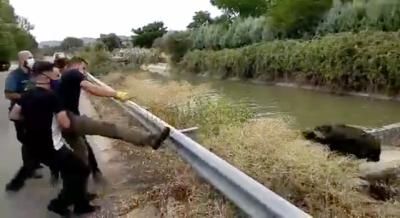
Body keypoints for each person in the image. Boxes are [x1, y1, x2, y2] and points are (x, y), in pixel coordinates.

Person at [8, 61, 97, 216]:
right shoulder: (52, 97)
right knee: (81, 170)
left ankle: (81, 202)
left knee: (73, 171)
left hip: (34, 145)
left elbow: (13, 115)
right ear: (45, 74)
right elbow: (65, 122)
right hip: (51, 147)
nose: (56, 74)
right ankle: (59, 204)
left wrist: (31, 119)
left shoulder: (26, 95)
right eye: (52, 72)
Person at [4, 51, 42, 191]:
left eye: (32, 57)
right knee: (25, 139)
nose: (31, 60)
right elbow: (8, 94)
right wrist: (25, 97)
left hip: (35, 111)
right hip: (19, 113)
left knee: (35, 138)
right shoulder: (14, 76)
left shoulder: (34, 73)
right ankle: (29, 167)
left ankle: (34, 164)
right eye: (29, 58)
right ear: (21, 61)